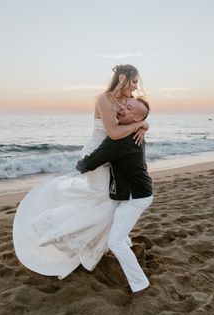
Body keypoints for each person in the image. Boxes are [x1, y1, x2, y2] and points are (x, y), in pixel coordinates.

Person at [13, 65, 149, 280]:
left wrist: (143, 124)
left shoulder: (126, 100)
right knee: (104, 200)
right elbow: (114, 133)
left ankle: (113, 241)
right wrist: (139, 124)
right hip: (96, 155)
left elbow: (135, 117)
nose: (135, 86)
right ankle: (60, 232)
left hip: (111, 156)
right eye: (132, 81)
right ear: (121, 77)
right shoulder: (104, 99)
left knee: (111, 200)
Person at [76, 97, 154, 293]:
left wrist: (78, 164)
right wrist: (143, 125)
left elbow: (90, 163)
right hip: (135, 192)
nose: (120, 109)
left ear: (136, 117)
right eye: (122, 105)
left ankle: (140, 283)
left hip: (136, 197)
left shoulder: (121, 139)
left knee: (115, 242)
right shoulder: (135, 131)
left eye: (127, 108)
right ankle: (131, 245)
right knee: (115, 222)